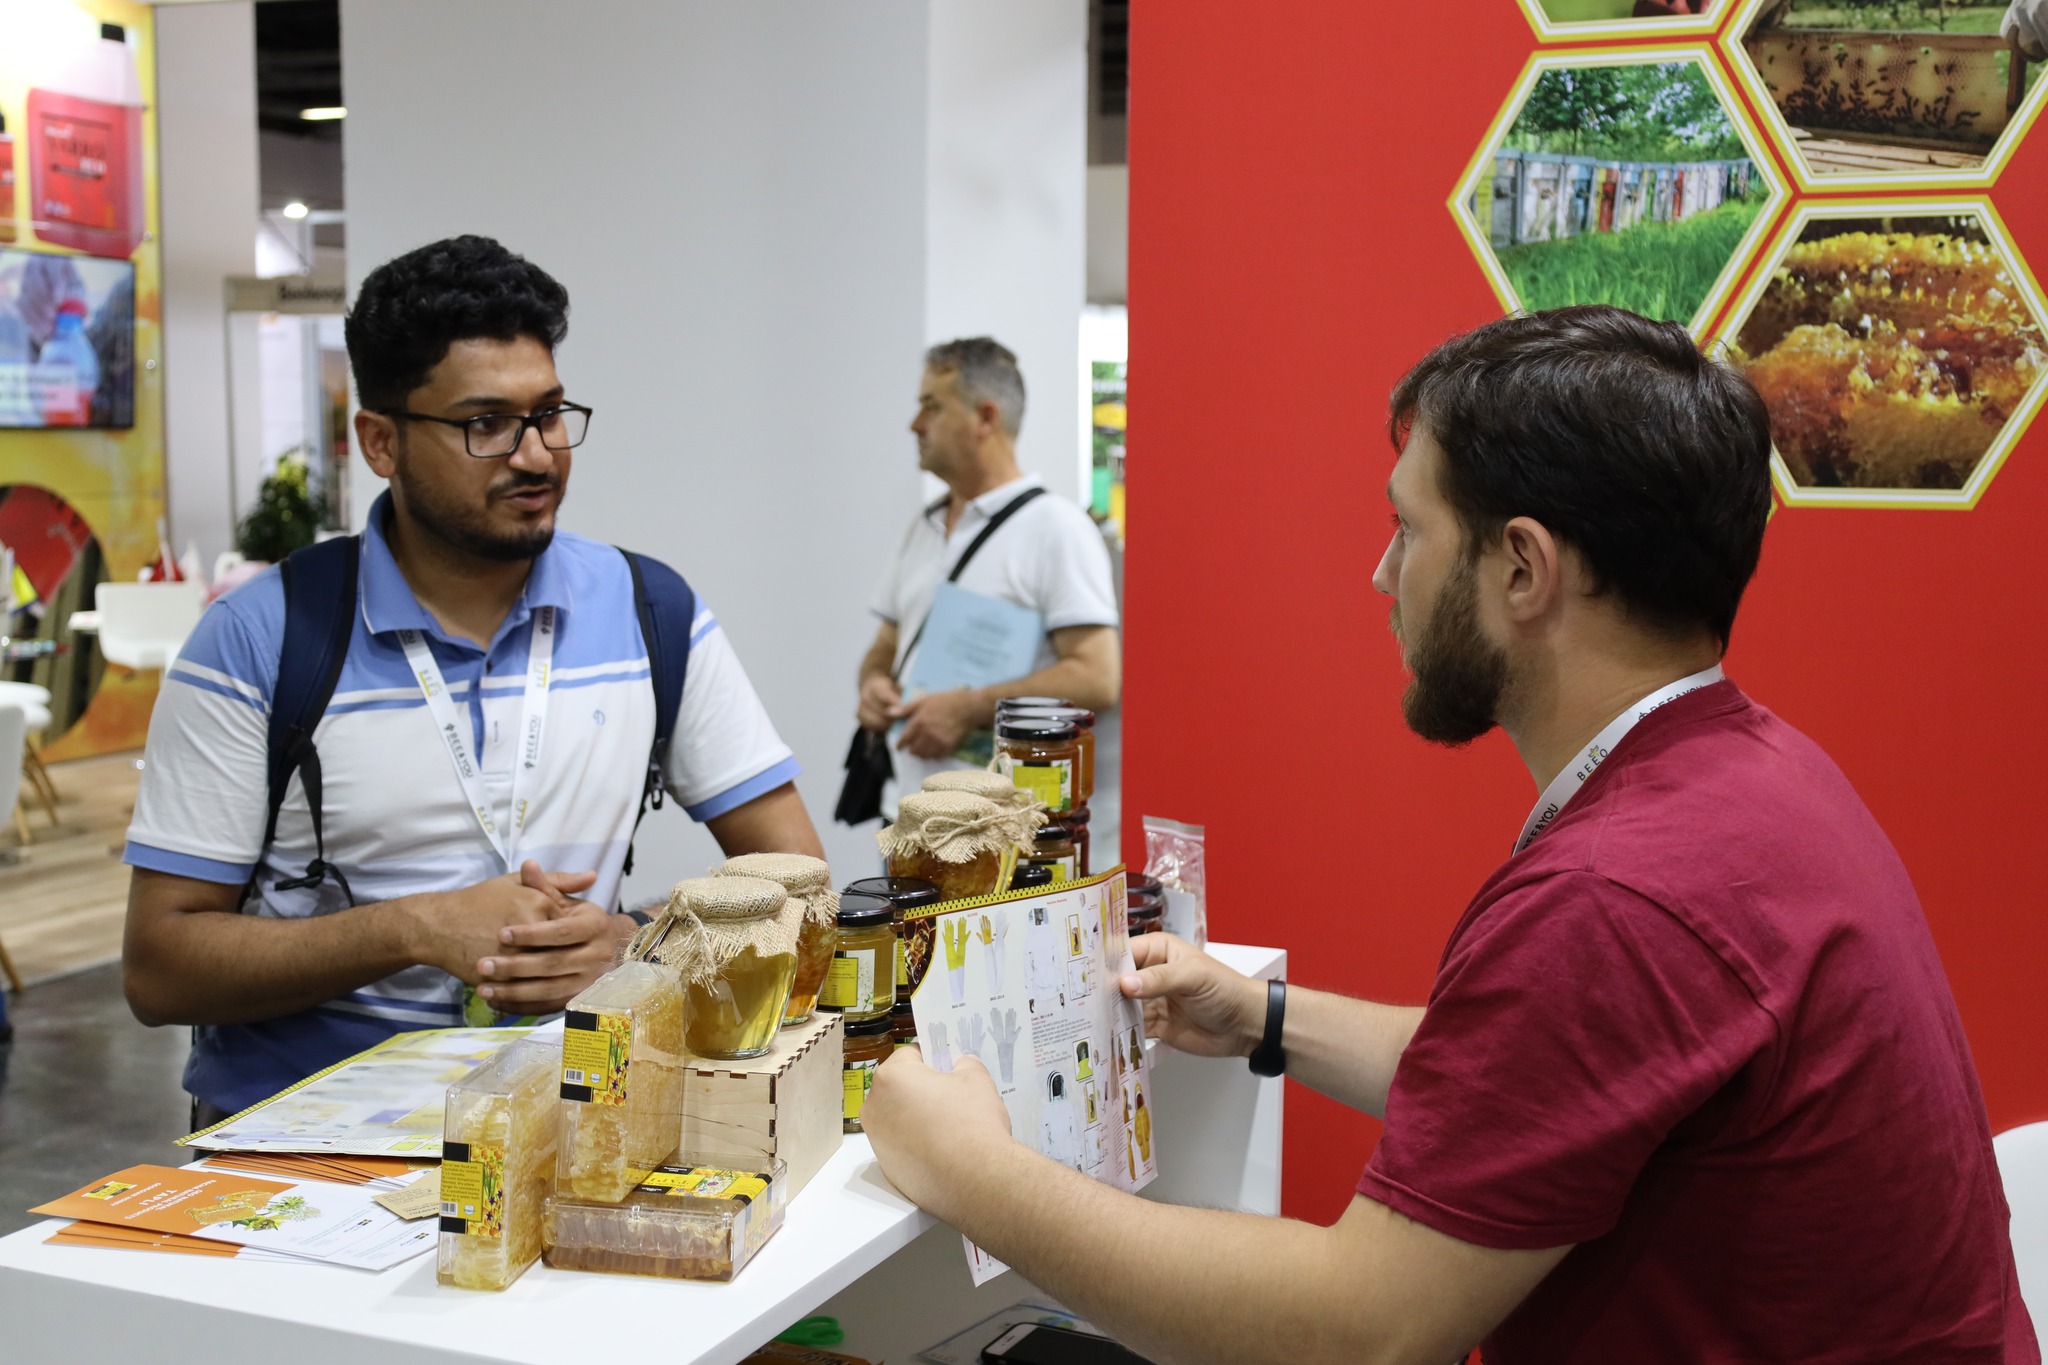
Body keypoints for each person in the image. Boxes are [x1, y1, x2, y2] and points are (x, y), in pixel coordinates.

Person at [863, 307, 2038, 1363]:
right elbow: (1526, 1076)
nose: (1382, 574)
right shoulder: (1752, 774)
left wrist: (972, 1170)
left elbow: (1357, 1330)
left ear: (1521, 568)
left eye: (1407, 528)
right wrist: (1262, 1016)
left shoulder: (1613, 895)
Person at [123, 236, 823, 1122]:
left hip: (575, 1124)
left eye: (550, 414)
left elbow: (800, 879)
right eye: (485, 424)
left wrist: (637, 944)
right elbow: (159, 968)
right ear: (380, 441)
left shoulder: (650, 612)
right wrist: (413, 928)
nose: (537, 455)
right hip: (304, 1147)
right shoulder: (261, 638)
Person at [854, 338, 1118, 805]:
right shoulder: (924, 525)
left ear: (985, 418)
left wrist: (970, 707)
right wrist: (873, 684)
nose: (915, 425)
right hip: (908, 813)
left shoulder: (1057, 528)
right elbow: (886, 645)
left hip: (1002, 825)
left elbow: (1097, 677)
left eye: (932, 407)